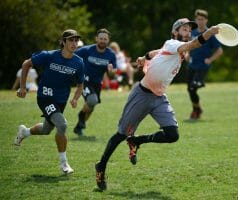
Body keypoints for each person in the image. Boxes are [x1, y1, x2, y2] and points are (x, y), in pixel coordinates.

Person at [94, 18, 220, 190]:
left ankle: (137, 141)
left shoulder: (171, 48)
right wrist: (208, 33)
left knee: (172, 135)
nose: (188, 32)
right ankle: (101, 166)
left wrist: (144, 57)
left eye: (190, 30)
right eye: (184, 29)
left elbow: (157, 52)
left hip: (159, 98)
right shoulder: (173, 43)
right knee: (121, 134)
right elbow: (192, 45)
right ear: (175, 32)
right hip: (142, 95)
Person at [14, 29, 84, 174]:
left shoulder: (79, 62)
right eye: (71, 40)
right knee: (62, 124)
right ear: (63, 42)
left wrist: (75, 98)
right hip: (45, 98)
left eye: (76, 40)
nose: (74, 43)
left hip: (61, 101)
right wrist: (22, 88)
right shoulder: (48, 56)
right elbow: (26, 64)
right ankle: (64, 164)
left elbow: (80, 84)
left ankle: (25, 132)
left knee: (47, 129)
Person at [73, 28, 116, 136]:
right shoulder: (87, 50)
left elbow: (113, 73)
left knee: (91, 107)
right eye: (101, 38)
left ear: (108, 40)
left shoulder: (111, 55)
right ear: (96, 39)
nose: (102, 41)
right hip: (84, 81)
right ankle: (80, 117)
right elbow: (71, 56)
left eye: (105, 39)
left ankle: (79, 126)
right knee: (92, 100)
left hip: (97, 83)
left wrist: (111, 71)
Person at [186, 9, 223, 119]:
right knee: (190, 89)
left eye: (202, 19)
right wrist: (187, 54)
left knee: (193, 88)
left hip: (202, 67)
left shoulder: (210, 34)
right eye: (198, 19)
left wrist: (210, 60)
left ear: (206, 20)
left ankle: (200, 83)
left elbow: (219, 51)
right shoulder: (193, 33)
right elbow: (187, 46)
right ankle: (197, 109)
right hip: (191, 65)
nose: (200, 21)